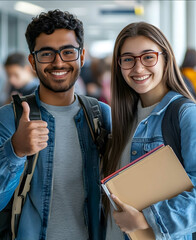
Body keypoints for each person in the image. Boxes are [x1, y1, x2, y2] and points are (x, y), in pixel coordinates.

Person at [0, 9, 111, 240]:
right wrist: (15, 151)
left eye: (68, 52)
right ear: (33, 61)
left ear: (81, 56)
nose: (58, 62)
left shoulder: (102, 115)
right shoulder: (9, 119)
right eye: (47, 53)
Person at [103, 22, 196, 240]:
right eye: (128, 59)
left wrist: (147, 219)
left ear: (165, 59)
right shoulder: (123, 119)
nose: (138, 68)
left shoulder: (185, 114)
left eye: (148, 57)